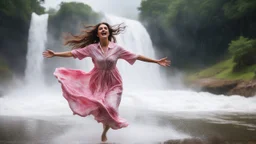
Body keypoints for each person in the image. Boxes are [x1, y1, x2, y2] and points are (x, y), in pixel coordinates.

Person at [42, 22, 170, 142]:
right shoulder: (91, 48)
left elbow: (136, 56)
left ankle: (104, 131)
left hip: (114, 82)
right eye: (100, 29)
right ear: (97, 34)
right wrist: (55, 54)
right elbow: (73, 53)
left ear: (108, 32)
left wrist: (156, 61)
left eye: (105, 28)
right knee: (101, 107)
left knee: (111, 107)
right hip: (97, 81)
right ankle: (104, 125)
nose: (103, 30)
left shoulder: (117, 49)